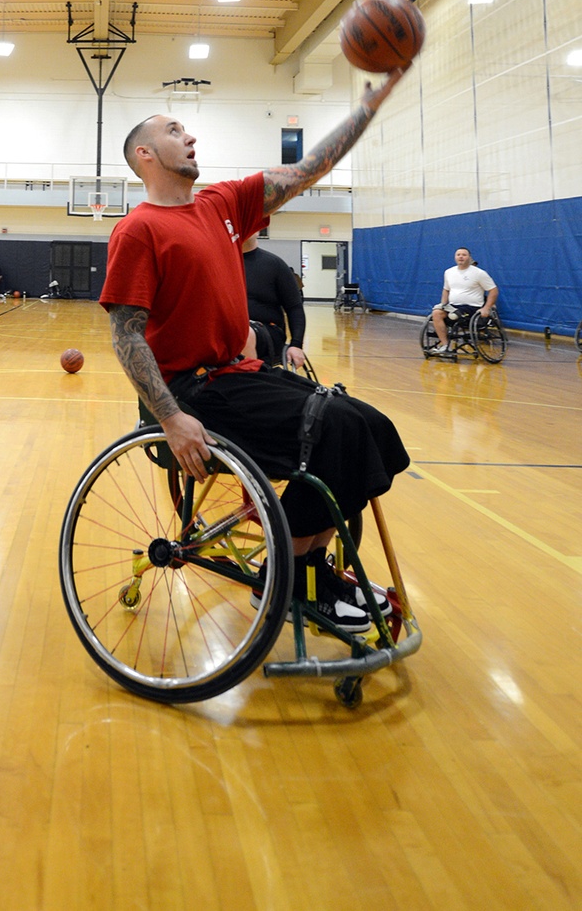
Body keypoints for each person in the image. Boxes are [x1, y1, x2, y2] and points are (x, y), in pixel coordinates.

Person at [101, 72, 410, 634]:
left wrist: (368, 107)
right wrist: (170, 417)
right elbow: (126, 335)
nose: (189, 137)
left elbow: (306, 169)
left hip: (241, 374)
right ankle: (286, 576)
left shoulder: (222, 204)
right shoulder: (137, 230)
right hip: (195, 392)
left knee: (370, 427)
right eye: (175, 130)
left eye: (189, 130)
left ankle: (308, 570)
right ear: (145, 155)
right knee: (335, 428)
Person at [242, 231, 307, 368]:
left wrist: (296, 344)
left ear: (258, 231)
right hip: (229, 329)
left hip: (268, 331)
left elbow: (294, 307)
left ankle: (251, 382)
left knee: (244, 333)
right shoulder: (220, 262)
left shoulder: (275, 264)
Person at [428, 247, 499, 358]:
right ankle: (446, 346)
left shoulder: (479, 273)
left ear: (469, 257)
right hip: (453, 306)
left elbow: (493, 290)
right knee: (436, 313)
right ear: (455, 257)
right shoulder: (449, 272)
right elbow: (446, 289)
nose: (461, 256)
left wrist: (486, 308)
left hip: (472, 308)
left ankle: (453, 318)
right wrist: (443, 304)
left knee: (453, 315)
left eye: (464, 254)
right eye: (458, 254)